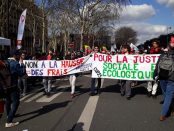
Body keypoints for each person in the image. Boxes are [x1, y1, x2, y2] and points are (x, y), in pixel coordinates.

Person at [154, 36, 174, 121]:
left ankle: (169, 110)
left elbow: (157, 65)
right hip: (172, 78)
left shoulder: (162, 54)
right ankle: (164, 114)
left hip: (162, 77)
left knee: (166, 95)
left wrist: (154, 76)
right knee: (168, 96)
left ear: (168, 46)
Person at [4, 50, 21, 127]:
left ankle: (8, 115)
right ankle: (9, 121)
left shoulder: (6, 62)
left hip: (5, 86)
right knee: (16, 102)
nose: (19, 56)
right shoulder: (15, 63)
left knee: (8, 100)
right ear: (15, 55)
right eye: (18, 55)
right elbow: (21, 72)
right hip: (13, 85)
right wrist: (22, 64)